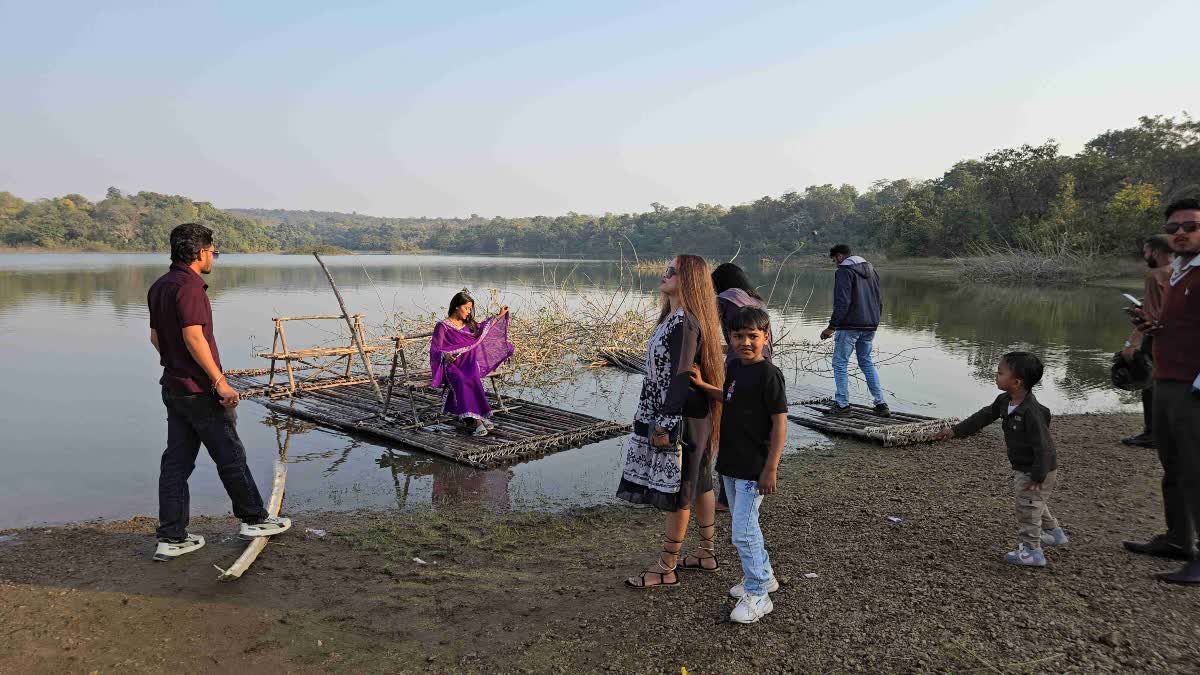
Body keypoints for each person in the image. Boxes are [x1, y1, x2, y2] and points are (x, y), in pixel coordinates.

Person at [147, 223, 290, 562]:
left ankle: (172, 536)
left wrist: (178, 367)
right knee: (230, 456)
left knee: (176, 463)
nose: (214, 257)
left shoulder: (159, 286)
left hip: (174, 386)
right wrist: (218, 381)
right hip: (200, 391)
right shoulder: (190, 287)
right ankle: (254, 519)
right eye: (213, 251)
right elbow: (193, 336)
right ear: (199, 252)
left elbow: (156, 338)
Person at [617, 254, 726, 588]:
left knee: (681, 488)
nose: (664, 275)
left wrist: (664, 423)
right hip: (686, 413)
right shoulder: (675, 318)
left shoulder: (684, 322)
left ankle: (666, 567)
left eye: (671, 271)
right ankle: (706, 554)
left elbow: (679, 377)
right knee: (701, 481)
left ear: (688, 279)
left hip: (681, 416)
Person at [690, 306, 788, 623]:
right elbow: (730, 397)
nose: (745, 342)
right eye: (738, 336)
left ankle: (759, 593)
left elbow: (779, 425)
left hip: (752, 467)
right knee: (747, 525)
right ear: (729, 338)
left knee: (742, 533)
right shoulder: (734, 367)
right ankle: (765, 576)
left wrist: (770, 468)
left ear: (766, 337)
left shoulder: (770, 375)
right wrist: (705, 386)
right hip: (730, 462)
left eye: (753, 336)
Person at [1126, 198, 1200, 584]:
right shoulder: (1178, 273)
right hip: (1168, 380)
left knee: (1195, 469)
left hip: (1192, 388)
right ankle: (1177, 538)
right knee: (1173, 465)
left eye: (1190, 226)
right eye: (1174, 228)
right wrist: (1153, 328)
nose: (1181, 233)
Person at [936, 352, 1068, 568]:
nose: (995, 376)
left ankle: (1032, 552)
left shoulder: (1031, 412)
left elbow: (1044, 448)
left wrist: (1038, 475)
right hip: (1026, 468)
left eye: (1000, 373)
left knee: (1027, 507)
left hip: (1036, 469)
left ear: (1017, 382)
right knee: (1033, 502)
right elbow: (984, 416)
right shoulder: (1005, 400)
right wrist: (955, 431)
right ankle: (1054, 533)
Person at [710, 262, 770, 512]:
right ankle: (737, 492)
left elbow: (710, 328)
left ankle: (725, 498)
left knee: (730, 427)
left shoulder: (725, 299)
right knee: (750, 425)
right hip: (761, 362)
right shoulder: (756, 300)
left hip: (739, 365)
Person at [429, 291, 514, 437]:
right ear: (456, 306)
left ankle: (478, 417)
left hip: (469, 362)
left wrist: (500, 315)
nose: (469, 312)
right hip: (452, 366)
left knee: (472, 378)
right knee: (462, 380)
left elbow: (484, 328)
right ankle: (477, 422)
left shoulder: (470, 325)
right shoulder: (442, 326)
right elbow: (435, 349)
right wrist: (446, 355)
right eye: (466, 308)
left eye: (470, 309)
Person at [819, 244, 889, 417]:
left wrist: (831, 327)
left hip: (850, 325)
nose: (835, 263)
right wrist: (875, 321)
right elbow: (879, 299)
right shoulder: (871, 269)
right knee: (866, 361)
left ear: (840, 256)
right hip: (871, 324)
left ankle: (842, 405)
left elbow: (843, 301)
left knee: (840, 362)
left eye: (834, 259)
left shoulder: (844, 271)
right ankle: (881, 404)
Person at [1120, 234, 1174, 448]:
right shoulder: (1181, 272)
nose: (1144, 255)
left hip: (1156, 338)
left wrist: (1130, 344)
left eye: (1146, 251)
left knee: (1150, 385)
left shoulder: (1155, 275)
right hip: (1180, 339)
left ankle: (1152, 433)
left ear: (1156, 252)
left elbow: (1150, 316)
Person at [711, 262, 771, 360]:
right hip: (763, 358)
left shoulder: (725, 299)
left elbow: (708, 331)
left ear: (719, 284)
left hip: (739, 362)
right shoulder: (758, 301)